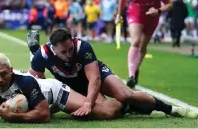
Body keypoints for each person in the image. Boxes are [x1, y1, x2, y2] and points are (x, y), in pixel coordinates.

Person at [27, 28, 197, 118]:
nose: (69, 54)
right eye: (63, 52)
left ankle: (172, 109)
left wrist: (88, 103)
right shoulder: (42, 56)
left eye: (70, 49)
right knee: (106, 113)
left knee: (124, 94)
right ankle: (127, 108)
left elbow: (94, 78)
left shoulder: (82, 47)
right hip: (72, 85)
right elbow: (35, 81)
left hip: (94, 76)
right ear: (53, 49)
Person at [0, 52, 126, 123]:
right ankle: (94, 96)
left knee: (104, 113)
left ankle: (123, 102)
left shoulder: (25, 81)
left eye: (3, 74)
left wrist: (13, 117)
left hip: (54, 94)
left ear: (11, 70)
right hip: (37, 101)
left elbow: (44, 115)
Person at [115, 0, 172, 88]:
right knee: (135, 41)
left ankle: (135, 69)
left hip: (152, 16)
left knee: (143, 46)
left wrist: (158, 10)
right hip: (136, 13)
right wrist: (119, 14)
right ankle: (131, 76)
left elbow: (169, 4)